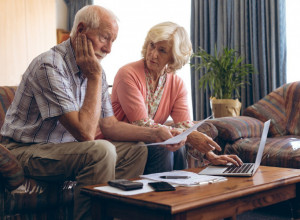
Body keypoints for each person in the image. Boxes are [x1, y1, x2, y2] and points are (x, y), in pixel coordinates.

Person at [0, 6, 185, 220]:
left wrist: (156, 133)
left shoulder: (94, 68)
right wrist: (95, 78)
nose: (109, 49)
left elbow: (110, 126)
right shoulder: (49, 65)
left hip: (62, 150)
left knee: (137, 150)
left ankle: (115, 213)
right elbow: (85, 134)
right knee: (101, 151)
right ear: (81, 30)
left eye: (113, 41)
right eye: (105, 38)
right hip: (24, 151)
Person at [111, 21, 243, 174]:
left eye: (162, 51)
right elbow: (141, 123)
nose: (153, 54)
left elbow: (185, 126)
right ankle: (162, 196)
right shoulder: (127, 74)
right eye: (152, 45)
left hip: (148, 141)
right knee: (165, 148)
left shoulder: (177, 83)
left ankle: (182, 192)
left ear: (173, 57)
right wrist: (188, 135)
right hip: (120, 140)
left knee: (177, 148)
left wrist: (210, 155)